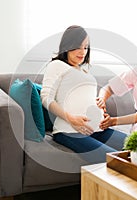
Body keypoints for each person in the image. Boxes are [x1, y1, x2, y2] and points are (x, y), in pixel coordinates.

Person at [40, 25, 127, 163]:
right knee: (115, 160)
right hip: (69, 131)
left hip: (98, 129)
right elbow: (46, 98)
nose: (82, 52)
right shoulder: (57, 65)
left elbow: (84, 99)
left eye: (85, 47)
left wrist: (100, 109)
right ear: (67, 46)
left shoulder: (83, 71)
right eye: (78, 47)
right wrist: (71, 118)